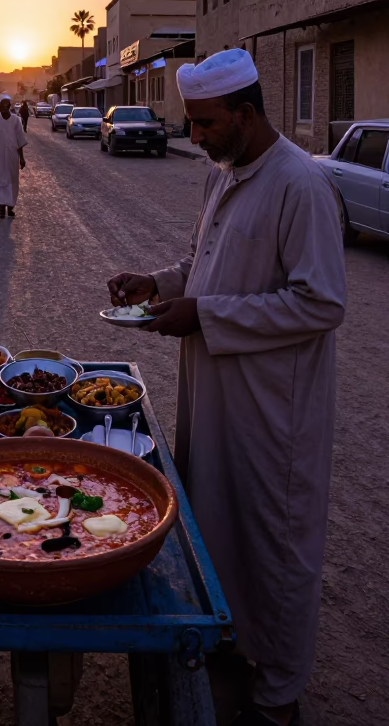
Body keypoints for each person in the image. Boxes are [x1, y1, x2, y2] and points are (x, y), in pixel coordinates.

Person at [107, 49, 346, 726]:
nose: (196, 136)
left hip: (275, 411)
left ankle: (276, 695)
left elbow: (321, 303)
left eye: (206, 124)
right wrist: (158, 284)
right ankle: (228, 640)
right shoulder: (225, 174)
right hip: (213, 394)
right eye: (192, 123)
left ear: (245, 114)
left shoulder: (300, 186)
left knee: (274, 543)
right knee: (217, 524)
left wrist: (205, 316)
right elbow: (202, 264)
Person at [0, 94, 27, 219]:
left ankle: (10, 208)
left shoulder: (16, 120)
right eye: (1, 106)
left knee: (13, 181)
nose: (3, 109)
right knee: (0, 181)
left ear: (9, 107)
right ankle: (1, 208)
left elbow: (20, 140)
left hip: (12, 157)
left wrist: (22, 158)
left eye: (5, 106)